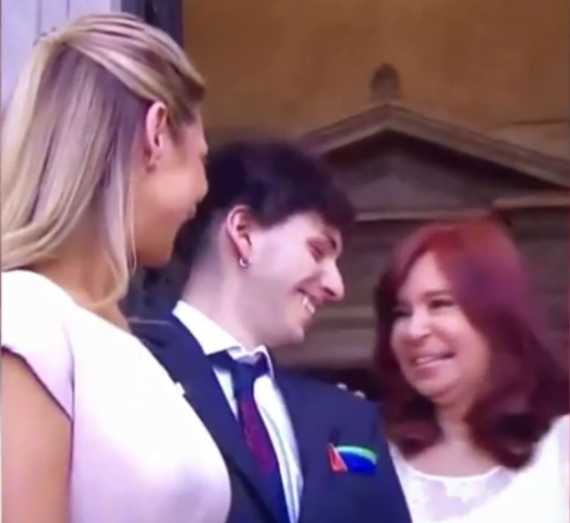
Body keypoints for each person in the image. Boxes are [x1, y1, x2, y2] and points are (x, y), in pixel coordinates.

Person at [1, 14, 230, 523]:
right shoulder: (25, 318)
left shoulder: (117, 336)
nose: (203, 191)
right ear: (156, 134)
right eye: (201, 159)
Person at [131, 140, 413, 523]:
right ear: (244, 232)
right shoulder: (129, 370)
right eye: (318, 250)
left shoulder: (350, 420)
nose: (337, 286)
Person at [373, 219, 569, 523]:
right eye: (402, 313)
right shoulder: (372, 455)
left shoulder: (561, 446)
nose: (414, 330)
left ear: (497, 318)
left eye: (439, 304)